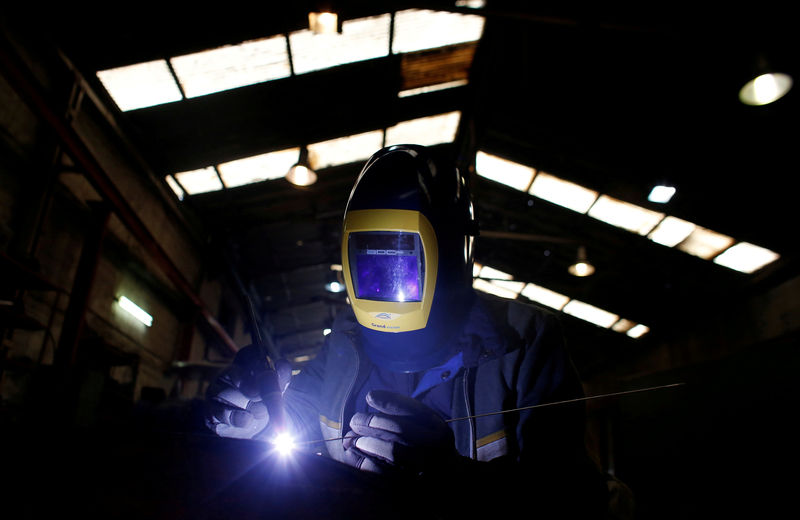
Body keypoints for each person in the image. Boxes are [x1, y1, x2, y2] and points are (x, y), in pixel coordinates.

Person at [204, 144, 610, 517]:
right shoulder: (344, 339)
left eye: (400, 267)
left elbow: (573, 500)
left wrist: (453, 478)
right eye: (370, 268)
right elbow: (300, 415)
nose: (383, 290)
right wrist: (257, 417)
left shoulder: (526, 341)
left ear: (453, 254)